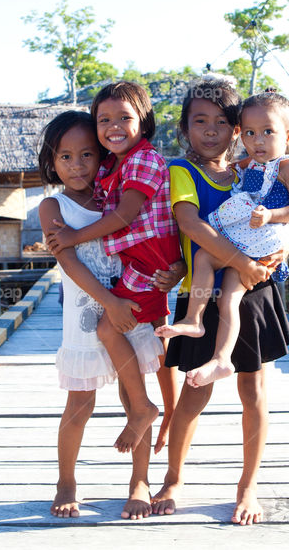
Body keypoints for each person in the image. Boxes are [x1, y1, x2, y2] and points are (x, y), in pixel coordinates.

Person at [150, 79, 289, 525]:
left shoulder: (255, 170)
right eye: (199, 122)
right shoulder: (181, 171)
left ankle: (247, 486)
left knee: (254, 390)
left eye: (221, 122)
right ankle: (174, 478)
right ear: (185, 128)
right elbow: (190, 223)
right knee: (194, 391)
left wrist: (283, 247)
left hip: (256, 292)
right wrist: (239, 261)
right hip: (201, 292)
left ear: (237, 129)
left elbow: (288, 216)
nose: (210, 131)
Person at [46, 82, 183, 518]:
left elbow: (160, 229)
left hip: (131, 303)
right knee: (80, 403)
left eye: (86, 154)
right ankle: (66, 479)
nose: (77, 165)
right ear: (52, 161)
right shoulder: (54, 207)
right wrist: (110, 303)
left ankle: (139, 481)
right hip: (91, 314)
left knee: (132, 396)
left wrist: (178, 268)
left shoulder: (115, 188)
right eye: (65, 157)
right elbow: (69, 262)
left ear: (101, 154)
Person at [156, 91, 289, 388]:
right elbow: (223, 176)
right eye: (251, 133)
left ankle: (211, 344)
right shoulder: (248, 165)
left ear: (288, 135)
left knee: (227, 293)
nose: (259, 140)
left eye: (268, 132)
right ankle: (203, 332)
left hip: (263, 239)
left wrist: (272, 216)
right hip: (245, 243)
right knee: (213, 272)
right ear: (242, 134)